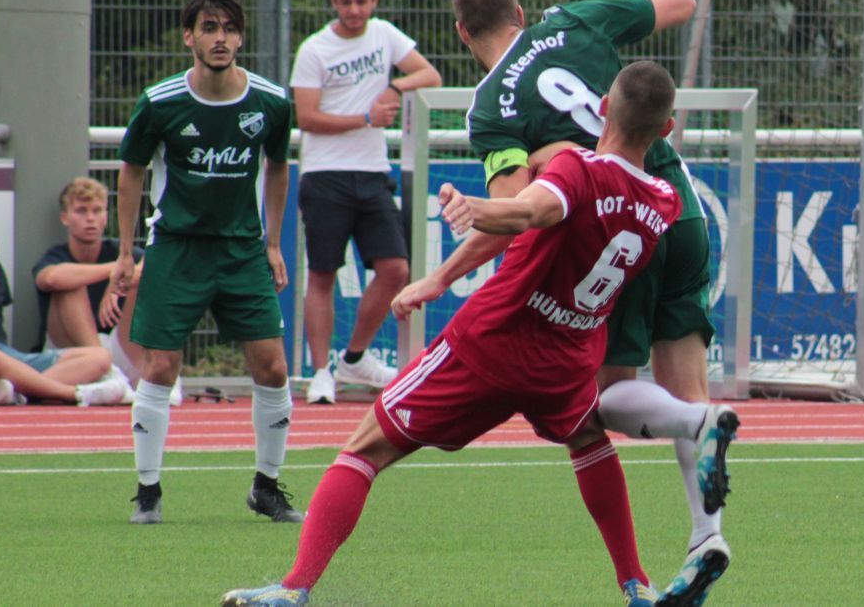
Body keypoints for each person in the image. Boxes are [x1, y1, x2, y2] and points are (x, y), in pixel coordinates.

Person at [223, 61, 684, 607]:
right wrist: (441, 276)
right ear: (666, 130)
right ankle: (635, 584)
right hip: (566, 359)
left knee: (365, 448)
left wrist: (476, 208)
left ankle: (294, 588)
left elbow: (527, 212)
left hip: (492, 344)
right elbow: (546, 214)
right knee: (588, 441)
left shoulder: (575, 169)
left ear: (603, 108)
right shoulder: (663, 200)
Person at [391, 0, 738, 604]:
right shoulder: (574, 20)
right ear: (521, 10)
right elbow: (679, 2)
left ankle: (697, 448)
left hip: (606, 229)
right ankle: (704, 535)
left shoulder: (492, 108)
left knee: (604, 400)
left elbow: (516, 214)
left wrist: (442, 274)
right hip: (676, 208)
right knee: (689, 391)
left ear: (463, 31)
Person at [111, 0, 303, 525]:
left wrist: (272, 243)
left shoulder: (269, 101)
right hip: (177, 248)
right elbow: (131, 171)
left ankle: (266, 488)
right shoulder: (161, 102)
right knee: (161, 366)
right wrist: (126, 252)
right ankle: (148, 493)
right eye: (209, 28)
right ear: (189, 36)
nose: (221, 38)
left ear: (241, 36)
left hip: (243, 250)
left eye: (229, 28)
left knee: (272, 367)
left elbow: (278, 166)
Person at [290, 0, 443, 404]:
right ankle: (321, 373)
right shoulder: (314, 49)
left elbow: (430, 75)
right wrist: (364, 118)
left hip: (373, 173)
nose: (354, 10)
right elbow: (306, 117)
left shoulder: (384, 35)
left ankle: (354, 357)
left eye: (362, 1)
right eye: (346, 2)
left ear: (373, 1)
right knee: (322, 274)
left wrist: (395, 88)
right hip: (324, 175)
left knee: (396, 269)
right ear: (333, 3)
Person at [32, 177, 184, 406]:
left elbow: (157, 269)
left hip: (118, 348)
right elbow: (50, 278)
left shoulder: (120, 251)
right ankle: (105, 373)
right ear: (65, 218)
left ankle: (145, 373)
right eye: (81, 211)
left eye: (97, 210)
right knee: (69, 285)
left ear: (106, 216)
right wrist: (115, 272)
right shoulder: (56, 255)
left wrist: (122, 283)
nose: (90, 218)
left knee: (144, 280)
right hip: (74, 351)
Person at [0, 212, 130, 407]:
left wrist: (117, 275)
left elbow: (144, 264)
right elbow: (50, 279)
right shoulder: (55, 256)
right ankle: (76, 394)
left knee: (99, 357)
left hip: (5, 356)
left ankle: (16, 392)